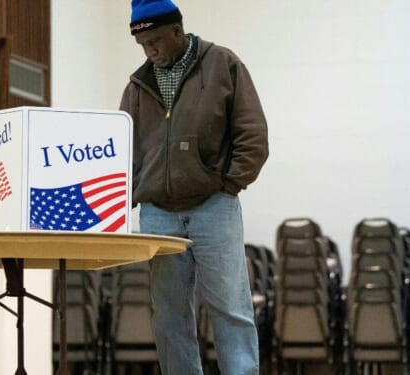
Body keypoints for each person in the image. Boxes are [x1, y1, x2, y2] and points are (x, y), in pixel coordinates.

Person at [119, 0, 269, 374]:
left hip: (213, 208)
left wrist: (229, 185)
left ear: (177, 30)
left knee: (231, 309)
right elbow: (122, 147)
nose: (150, 51)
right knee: (169, 317)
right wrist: (139, 190)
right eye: (142, 45)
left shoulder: (223, 64)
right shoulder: (138, 85)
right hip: (157, 214)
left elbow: (253, 134)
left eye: (155, 40)